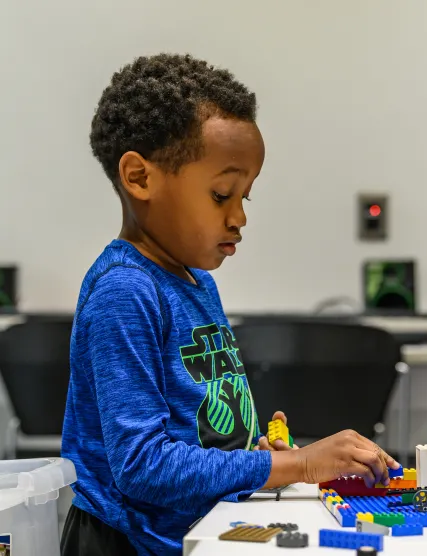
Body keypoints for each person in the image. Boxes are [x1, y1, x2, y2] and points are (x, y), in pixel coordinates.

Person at [60, 53, 399, 556]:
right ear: (139, 177)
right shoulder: (125, 291)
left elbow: (194, 432)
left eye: (246, 197)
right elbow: (142, 467)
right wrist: (296, 466)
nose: (239, 217)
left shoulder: (196, 281)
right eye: (221, 194)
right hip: (128, 544)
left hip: (195, 534)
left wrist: (255, 452)